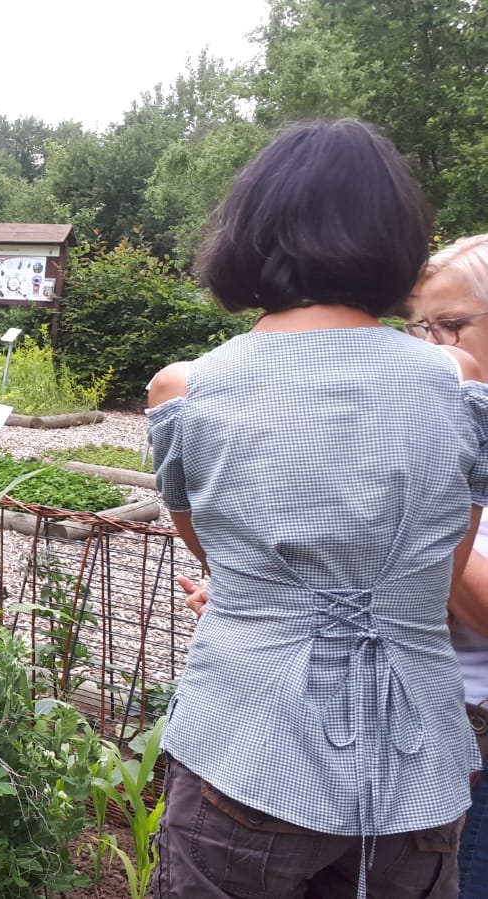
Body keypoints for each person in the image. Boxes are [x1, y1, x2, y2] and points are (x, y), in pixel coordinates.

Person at [149, 120, 485, 899]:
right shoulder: (457, 380)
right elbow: (435, 577)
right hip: (416, 763)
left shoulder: (185, 388)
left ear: (251, 231)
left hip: (244, 741)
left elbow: (219, 560)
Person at [404, 233, 488, 897]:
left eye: (452, 326)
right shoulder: (435, 422)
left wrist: (408, 538)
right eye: (419, 328)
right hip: (416, 719)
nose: (432, 346)